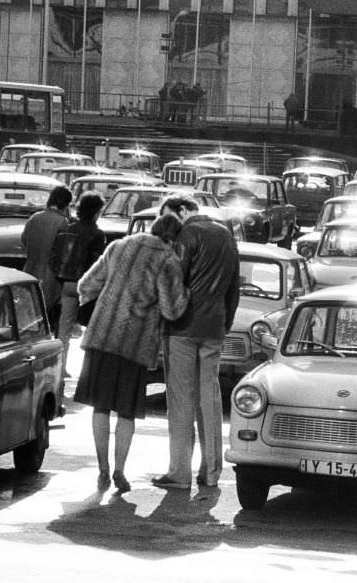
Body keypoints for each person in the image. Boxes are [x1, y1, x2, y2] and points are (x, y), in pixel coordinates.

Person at [75, 212, 188, 493]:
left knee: (100, 406)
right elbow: (172, 309)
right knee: (126, 411)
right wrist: (187, 293)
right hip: (135, 345)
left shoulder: (118, 247)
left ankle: (101, 468)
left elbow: (85, 285)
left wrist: (102, 305)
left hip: (101, 337)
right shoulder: (168, 260)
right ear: (174, 238)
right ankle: (119, 471)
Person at [152, 196, 240, 490]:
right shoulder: (227, 235)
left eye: (169, 216)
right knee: (210, 400)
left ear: (182, 211)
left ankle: (179, 472)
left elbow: (174, 282)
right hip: (214, 324)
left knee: (180, 401)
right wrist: (223, 324)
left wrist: (167, 317)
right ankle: (212, 471)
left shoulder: (185, 235)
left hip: (182, 328)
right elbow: (233, 289)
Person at [50, 191, 107, 379]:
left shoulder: (67, 229)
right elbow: (97, 265)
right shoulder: (97, 234)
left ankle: (60, 367)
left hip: (66, 283)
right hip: (88, 287)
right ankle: (88, 373)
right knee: (92, 330)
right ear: (97, 211)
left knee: (63, 330)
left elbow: (54, 258)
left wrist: (61, 277)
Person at [22, 185, 72, 335]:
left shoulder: (34, 218)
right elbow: (63, 253)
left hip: (29, 271)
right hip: (50, 276)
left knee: (29, 317)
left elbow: (24, 240)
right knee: (47, 319)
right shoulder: (63, 223)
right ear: (66, 204)